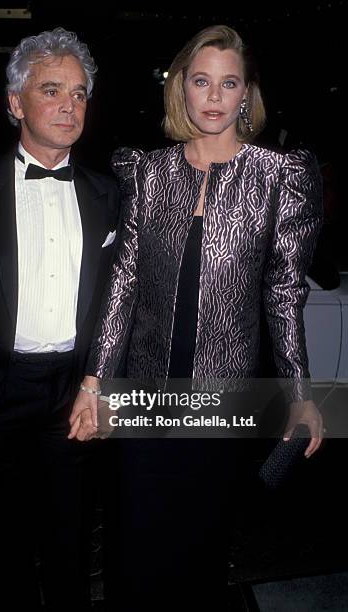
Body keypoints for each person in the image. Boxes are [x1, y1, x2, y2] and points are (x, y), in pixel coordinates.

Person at [69, 24, 324, 610]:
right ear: (181, 90)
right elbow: (124, 285)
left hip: (224, 394)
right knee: (136, 542)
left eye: (228, 83)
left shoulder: (278, 178)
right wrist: (94, 381)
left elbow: (284, 294)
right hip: (143, 391)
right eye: (201, 81)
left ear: (246, 95)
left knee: (201, 544)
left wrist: (301, 392)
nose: (213, 96)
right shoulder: (146, 171)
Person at [0, 27, 119, 612]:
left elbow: (120, 301)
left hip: (74, 393)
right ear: (15, 103)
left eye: (81, 93)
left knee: (70, 543)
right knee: (1, 545)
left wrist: (101, 384)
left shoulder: (108, 193)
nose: (70, 104)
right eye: (52, 89)